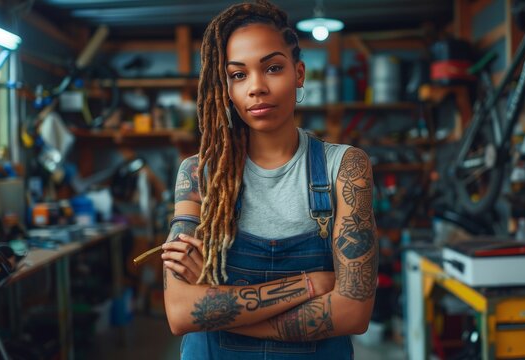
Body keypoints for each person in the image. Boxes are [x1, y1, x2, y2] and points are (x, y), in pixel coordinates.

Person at [161, 1, 378, 358]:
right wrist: (309, 285)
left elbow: (354, 313)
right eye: (238, 74)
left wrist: (216, 311)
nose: (257, 87)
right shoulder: (199, 174)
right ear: (226, 87)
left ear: (299, 73)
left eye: (273, 68)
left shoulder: (346, 167)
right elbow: (181, 312)